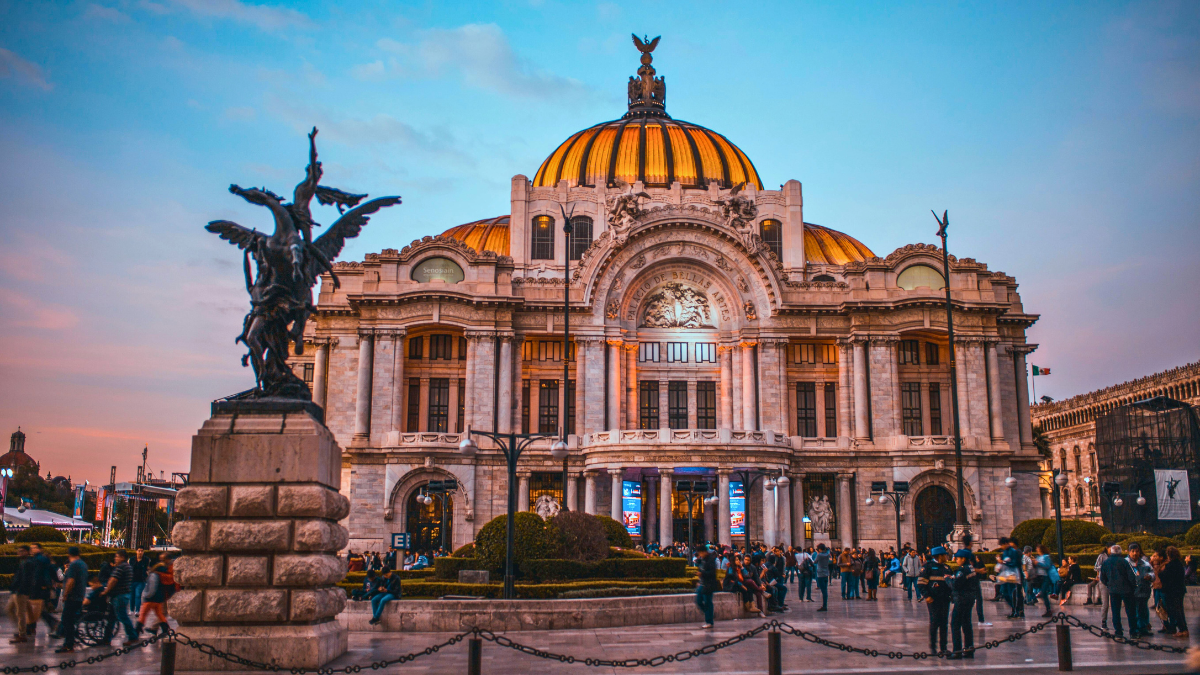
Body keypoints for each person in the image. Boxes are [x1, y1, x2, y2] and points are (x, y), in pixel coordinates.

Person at [919, 546, 954, 656]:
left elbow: (951, 584)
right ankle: (933, 647)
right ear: (939, 556)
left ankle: (943, 647)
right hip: (933, 599)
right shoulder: (928, 567)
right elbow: (921, 583)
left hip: (944, 599)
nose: (946, 557)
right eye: (945, 555)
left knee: (944, 623)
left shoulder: (947, 568)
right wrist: (926, 595)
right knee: (934, 623)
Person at [55, 547, 90, 653]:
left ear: (69, 554)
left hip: (72, 597)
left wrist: (65, 595)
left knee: (67, 620)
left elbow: (71, 581)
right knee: (70, 620)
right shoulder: (83, 564)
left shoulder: (74, 565)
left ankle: (69, 644)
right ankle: (70, 642)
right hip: (79, 596)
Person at [102, 549, 140, 646]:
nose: (115, 558)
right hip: (123, 595)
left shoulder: (121, 567)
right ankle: (107, 638)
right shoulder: (128, 567)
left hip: (119, 595)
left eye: (117, 556)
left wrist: (106, 591)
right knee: (112, 618)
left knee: (122, 616)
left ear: (122, 557)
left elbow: (113, 580)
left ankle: (133, 636)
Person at [1099, 544, 1137, 638]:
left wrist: (1109, 584)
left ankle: (1118, 632)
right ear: (1120, 552)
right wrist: (1133, 587)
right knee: (1130, 612)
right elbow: (1132, 576)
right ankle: (1133, 632)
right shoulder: (1124, 562)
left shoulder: (1106, 562)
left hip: (1113, 590)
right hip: (1126, 590)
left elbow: (1102, 577)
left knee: (1115, 612)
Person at [948, 549, 978, 659]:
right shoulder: (971, 568)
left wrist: (948, 580)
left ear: (963, 559)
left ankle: (957, 651)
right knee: (966, 624)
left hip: (961, 600)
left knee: (955, 624)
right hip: (969, 599)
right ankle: (969, 649)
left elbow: (956, 585)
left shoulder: (962, 570)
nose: (956, 560)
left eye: (957, 558)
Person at [1159, 546, 1188, 639]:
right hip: (1180, 590)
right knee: (1180, 610)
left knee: (1176, 611)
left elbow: (1163, 576)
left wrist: (1161, 571)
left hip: (1172, 591)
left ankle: (1182, 629)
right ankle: (1184, 629)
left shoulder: (1170, 565)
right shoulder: (1179, 564)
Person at [136, 563, 171, 637]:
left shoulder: (154, 575)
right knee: (160, 615)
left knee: (143, 614)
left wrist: (146, 595)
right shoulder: (162, 575)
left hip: (150, 599)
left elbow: (152, 588)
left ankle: (137, 631)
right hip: (159, 600)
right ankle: (166, 629)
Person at [1127, 543, 1154, 638]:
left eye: (1137, 551)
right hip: (1132, 592)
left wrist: (1150, 576)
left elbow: (1152, 573)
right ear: (1129, 552)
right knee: (1136, 611)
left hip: (1144, 591)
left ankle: (1144, 628)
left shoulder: (1145, 564)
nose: (1135, 553)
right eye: (1133, 551)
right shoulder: (1126, 563)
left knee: (1143, 610)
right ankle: (1137, 628)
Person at [998, 538, 1025, 619]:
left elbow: (1016, 563)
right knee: (1006, 593)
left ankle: (1017, 610)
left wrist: (1004, 562)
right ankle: (1014, 610)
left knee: (1015, 594)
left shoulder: (1015, 552)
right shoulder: (1005, 552)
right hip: (1006, 576)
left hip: (1014, 575)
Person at [695, 545, 719, 628]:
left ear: (704, 552)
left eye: (700, 553)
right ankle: (710, 614)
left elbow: (712, 573)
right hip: (702, 583)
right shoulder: (702, 560)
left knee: (708, 601)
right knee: (698, 600)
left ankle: (709, 621)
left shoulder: (710, 560)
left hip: (709, 584)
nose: (700, 555)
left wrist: (702, 574)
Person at [813, 543, 831, 612]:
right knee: (825, 590)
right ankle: (825, 605)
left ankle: (824, 606)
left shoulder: (819, 555)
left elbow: (815, 562)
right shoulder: (827, 554)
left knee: (823, 590)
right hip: (826, 573)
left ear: (820, 549)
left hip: (820, 574)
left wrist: (817, 554)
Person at [130, 548, 149, 616]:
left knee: (138, 595)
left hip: (141, 581)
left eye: (142, 551)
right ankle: (131, 609)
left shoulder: (146, 560)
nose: (140, 552)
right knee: (132, 596)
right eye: (139, 551)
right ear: (136, 551)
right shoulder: (132, 560)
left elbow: (147, 569)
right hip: (132, 580)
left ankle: (137, 610)